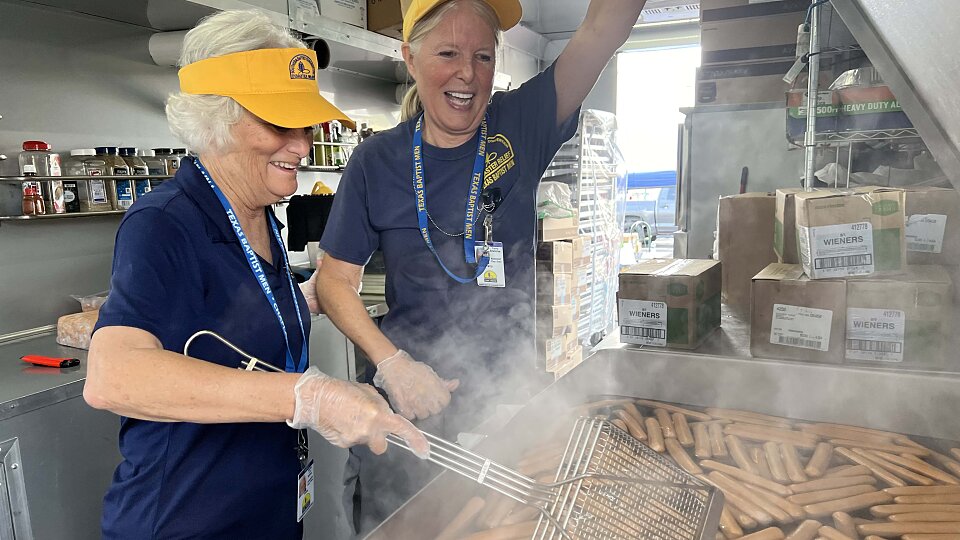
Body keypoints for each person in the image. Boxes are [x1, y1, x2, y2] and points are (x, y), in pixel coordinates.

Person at [82, 10, 428, 540]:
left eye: (305, 123)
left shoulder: (260, 211)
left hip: (266, 512)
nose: (302, 145)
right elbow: (114, 377)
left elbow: (233, 315)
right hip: (187, 521)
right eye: (278, 124)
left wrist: (310, 297)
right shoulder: (164, 222)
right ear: (215, 120)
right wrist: (310, 397)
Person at [317, 0, 650, 533]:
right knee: (405, 526)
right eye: (447, 53)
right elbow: (334, 282)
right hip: (411, 408)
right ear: (410, 57)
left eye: (483, 56)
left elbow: (602, 30)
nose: (467, 73)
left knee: (508, 526)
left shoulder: (521, 123)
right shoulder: (376, 162)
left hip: (511, 398)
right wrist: (393, 365)